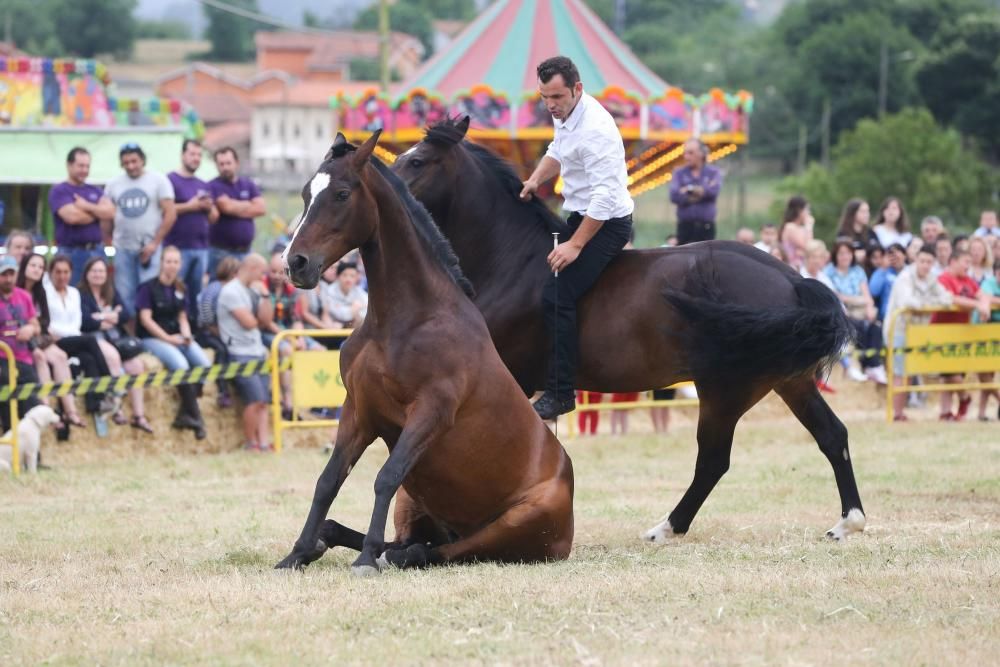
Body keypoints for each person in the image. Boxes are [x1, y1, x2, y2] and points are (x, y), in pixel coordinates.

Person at [518, 56, 634, 419]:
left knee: (558, 294)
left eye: (557, 97)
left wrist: (576, 244)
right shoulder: (568, 116)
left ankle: (560, 393)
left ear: (577, 89)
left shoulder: (595, 129)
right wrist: (536, 179)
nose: (551, 105)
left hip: (607, 223)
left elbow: (604, 199)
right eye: (544, 97)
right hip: (581, 214)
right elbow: (557, 151)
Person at [42, 255, 126, 428]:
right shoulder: (45, 293)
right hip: (56, 340)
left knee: (88, 358)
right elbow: (49, 325)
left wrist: (73, 334)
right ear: (51, 273)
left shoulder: (74, 293)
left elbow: (77, 322)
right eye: (58, 272)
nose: (62, 276)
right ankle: (110, 383)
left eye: (66, 272)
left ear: (71, 273)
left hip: (73, 337)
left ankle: (94, 403)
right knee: (90, 341)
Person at [135, 245, 209, 439]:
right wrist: (168, 339)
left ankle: (187, 411)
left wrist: (186, 336)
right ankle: (197, 417)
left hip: (176, 335)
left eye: (175, 262)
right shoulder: (147, 288)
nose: (172, 266)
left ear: (180, 264)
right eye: (168, 261)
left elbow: (182, 317)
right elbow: (145, 319)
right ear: (161, 263)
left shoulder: (180, 287)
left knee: (204, 364)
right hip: (153, 338)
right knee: (181, 366)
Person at [78, 257, 154, 433]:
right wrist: (109, 316)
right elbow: (84, 321)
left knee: (136, 365)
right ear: (86, 274)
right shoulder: (80, 294)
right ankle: (116, 407)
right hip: (92, 338)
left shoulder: (111, 291)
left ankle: (139, 415)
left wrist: (102, 317)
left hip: (115, 337)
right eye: (94, 271)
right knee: (112, 357)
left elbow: (126, 314)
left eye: (101, 271)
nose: (98, 275)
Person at [104, 143, 177, 317]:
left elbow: (170, 213)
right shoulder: (113, 184)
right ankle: (129, 337)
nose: (131, 166)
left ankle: (148, 334)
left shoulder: (158, 180)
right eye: (126, 162)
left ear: (142, 160)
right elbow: (106, 215)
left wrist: (155, 243)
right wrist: (107, 241)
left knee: (148, 294)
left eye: (134, 161)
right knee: (124, 294)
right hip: (122, 247)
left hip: (149, 248)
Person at [883, 245, 954, 421]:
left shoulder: (932, 278)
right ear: (916, 260)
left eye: (929, 262)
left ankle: (900, 412)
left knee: (909, 372)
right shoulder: (904, 277)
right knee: (900, 373)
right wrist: (930, 303)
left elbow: (947, 298)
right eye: (922, 261)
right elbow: (907, 302)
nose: (926, 265)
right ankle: (896, 414)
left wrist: (924, 303)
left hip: (917, 332)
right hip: (898, 330)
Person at [17, 253, 86, 428]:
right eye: (33, 265)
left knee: (60, 356)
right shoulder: (14, 289)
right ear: (24, 267)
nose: (37, 270)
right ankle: (46, 410)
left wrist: (35, 327)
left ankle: (71, 411)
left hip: (38, 336)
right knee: (40, 357)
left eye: (40, 267)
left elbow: (45, 321)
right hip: (20, 339)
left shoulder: (41, 292)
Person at [216, 254, 273, 451]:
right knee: (254, 400)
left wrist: (265, 295)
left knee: (264, 401)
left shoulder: (253, 290)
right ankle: (251, 443)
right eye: (262, 272)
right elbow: (249, 323)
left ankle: (264, 443)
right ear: (252, 268)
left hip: (257, 349)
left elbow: (265, 319)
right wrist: (258, 319)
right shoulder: (230, 291)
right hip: (239, 351)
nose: (263, 276)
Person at [931, 250, 991, 421]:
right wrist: (977, 305)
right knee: (949, 374)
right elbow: (952, 299)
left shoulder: (968, 280)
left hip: (961, 332)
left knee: (951, 374)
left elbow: (982, 295)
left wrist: (984, 304)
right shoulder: (944, 279)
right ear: (953, 261)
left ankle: (946, 411)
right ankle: (964, 397)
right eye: (965, 262)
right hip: (941, 332)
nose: (968, 266)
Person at [47, 147, 115, 283]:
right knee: (71, 292)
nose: (84, 170)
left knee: (99, 294)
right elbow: (72, 217)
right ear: (69, 165)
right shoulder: (59, 190)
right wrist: (97, 212)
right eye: (80, 166)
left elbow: (111, 212)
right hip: (70, 253)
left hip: (97, 251)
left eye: (87, 166)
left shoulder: (95, 190)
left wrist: (86, 206)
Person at [167, 139, 218, 318]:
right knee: (175, 292)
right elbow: (164, 211)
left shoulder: (203, 184)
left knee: (196, 294)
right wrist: (191, 206)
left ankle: (194, 329)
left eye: (199, 155)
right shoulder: (170, 180)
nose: (196, 158)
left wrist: (209, 207)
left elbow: (213, 218)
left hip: (201, 248)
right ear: (183, 155)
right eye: (192, 154)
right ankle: (174, 326)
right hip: (177, 248)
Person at [825, 240, 887, 384]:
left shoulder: (857, 271)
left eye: (847, 253)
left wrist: (869, 307)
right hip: (843, 312)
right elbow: (836, 296)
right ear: (836, 255)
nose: (845, 257)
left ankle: (874, 366)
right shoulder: (829, 271)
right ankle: (857, 366)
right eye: (841, 253)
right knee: (855, 327)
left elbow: (868, 297)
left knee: (875, 328)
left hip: (861, 311)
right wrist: (857, 300)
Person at [0, 255, 42, 432]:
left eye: (11, 274)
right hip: (3, 361)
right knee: (9, 407)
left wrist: (30, 329)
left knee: (32, 406)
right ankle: (10, 455)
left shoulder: (24, 296)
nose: (8, 279)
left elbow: (37, 326)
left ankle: (34, 456)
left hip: (24, 359)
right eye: (4, 274)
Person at [208, 147, 266, 274]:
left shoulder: (248, 184)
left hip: (246, 252)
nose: (225, 167)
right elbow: (222, 210)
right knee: (219, 287)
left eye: (228, 163)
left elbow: (261, 209)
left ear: (237, 163)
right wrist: (248, 204)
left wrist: (231, 205)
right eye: (221, 164)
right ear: (216, 166)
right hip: (220, 253)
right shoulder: (212, 186)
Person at [196, 256, 241, 409]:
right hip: (207, 332)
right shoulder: (214, 289)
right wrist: (217, 330)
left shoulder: (234, 290)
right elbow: (206, 314)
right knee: (222, 350)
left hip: (224, 331)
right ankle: (222, 389)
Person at [669, 138, 722, 244]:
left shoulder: (713, 172)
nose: (686, 157)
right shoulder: (679, 173)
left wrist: (688, 190)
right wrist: (701, 192)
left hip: (706, 228)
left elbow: (713, 192)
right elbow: (674, 196)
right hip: (685, 228)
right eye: (685, 153)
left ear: (702, 154)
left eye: (691, 153)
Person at [974, 258, 1000, 421]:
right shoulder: (989, 283)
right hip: (983, 331)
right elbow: (985, 297)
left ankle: (982, 413)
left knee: (989, 373)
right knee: (984, 373)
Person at [323, 261, 368, 329]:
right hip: (333, 330)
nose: (348, 279)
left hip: (353, 328)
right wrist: (354, 309)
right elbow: (340, 315)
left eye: (352, 276)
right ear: (338, 276)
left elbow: (368, 310)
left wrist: (355, 311)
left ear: (356, 278)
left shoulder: (358, 291)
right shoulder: (329, 291)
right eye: (344, 275)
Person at [869, 243, 907, 323]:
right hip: (887, 317)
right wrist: (883, 269)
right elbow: (873, 291)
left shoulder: (911, 271)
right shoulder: (882, 271)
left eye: (896, 254)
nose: (893, 257)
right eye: (890, 255)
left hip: (908, 315)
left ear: (904, 255)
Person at [779, 195, 815, 270]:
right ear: (799, 210)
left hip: (801, 267)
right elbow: (808, 246)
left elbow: (811, 248)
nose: (809, 213)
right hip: (792, 268)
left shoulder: (801, 228)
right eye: (807, 209)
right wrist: (809, 226)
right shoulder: (790, 227)